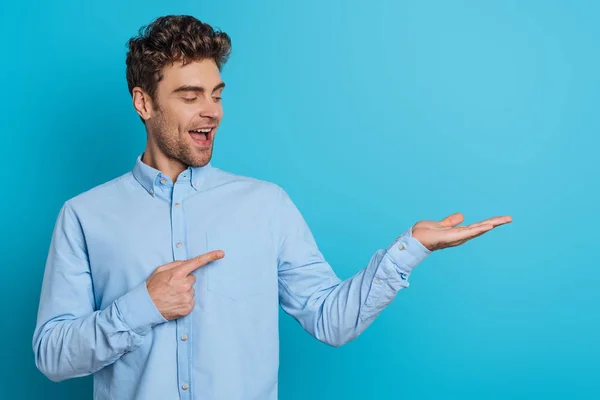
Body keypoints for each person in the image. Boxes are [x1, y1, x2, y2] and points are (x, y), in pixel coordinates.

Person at [32, 14, 512, 400]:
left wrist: (411, 248)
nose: (211, 111)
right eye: (190, 95)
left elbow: (331, 319)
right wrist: (141, 307)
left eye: (216, 95)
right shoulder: (84, 216)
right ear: (143, 102)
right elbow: (52, 357)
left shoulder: (265, 205)